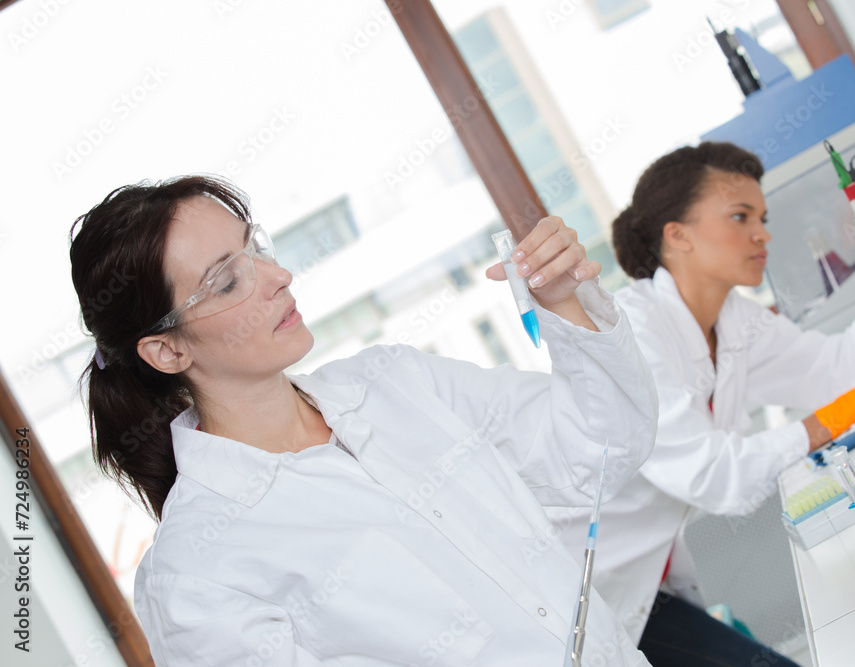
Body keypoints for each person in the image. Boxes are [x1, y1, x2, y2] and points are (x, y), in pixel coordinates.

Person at [69, 175, 660, 666]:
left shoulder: (394, 382)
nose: (277, 277)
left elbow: (599, 451)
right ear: (167, 350)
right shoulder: (196, 574)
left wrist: (562, 302)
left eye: (257, 248)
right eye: (227, 281)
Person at [548, 142, 855, 665]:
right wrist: (842, 412)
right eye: (740, 216)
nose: (762, 233)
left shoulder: (736, 322)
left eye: (762, 218)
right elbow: (712, 473)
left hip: (647, 585)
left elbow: (841, 374)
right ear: (678, 236)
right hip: (577, 597)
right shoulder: (631, 330)